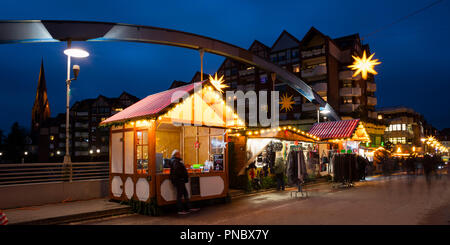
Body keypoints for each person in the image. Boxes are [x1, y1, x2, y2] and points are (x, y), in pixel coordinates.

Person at [169, 150, 199, 215]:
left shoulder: (175, 161)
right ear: (176, 155)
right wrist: (183, 176)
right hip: (179, 180)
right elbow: (177, 171)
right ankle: (180, 210)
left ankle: (188, 207)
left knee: (185, 194)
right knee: (180, 195)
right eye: (179, 154)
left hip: (179, 180)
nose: (180, 155)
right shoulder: (175, 161)